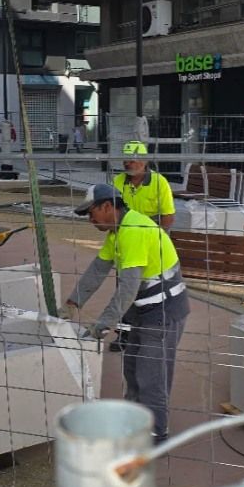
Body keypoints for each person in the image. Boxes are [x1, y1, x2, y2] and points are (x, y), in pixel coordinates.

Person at [61, 183, 189, 444]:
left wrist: (103, 325)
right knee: (132, 371)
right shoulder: (116, 233)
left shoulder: (133, 230)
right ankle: (135, 423)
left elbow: (128, 287)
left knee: (150, 375)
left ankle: (156, 435)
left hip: (163, 310)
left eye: (91, 212)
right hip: (142, 310)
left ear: (108, 206)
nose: (90, 219)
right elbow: (98, 270)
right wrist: (73, 302)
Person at [111, 140, 176, 352]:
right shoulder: (118, 181)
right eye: (126, 159)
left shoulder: (159, 182)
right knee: (125, 289)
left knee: (153, 291)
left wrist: (157, 242)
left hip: (150, 245)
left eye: (133, 159)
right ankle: (123, 334)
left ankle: (151, 333)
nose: (128, 163)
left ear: (144, 160)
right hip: (127, 246)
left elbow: (167, 216)